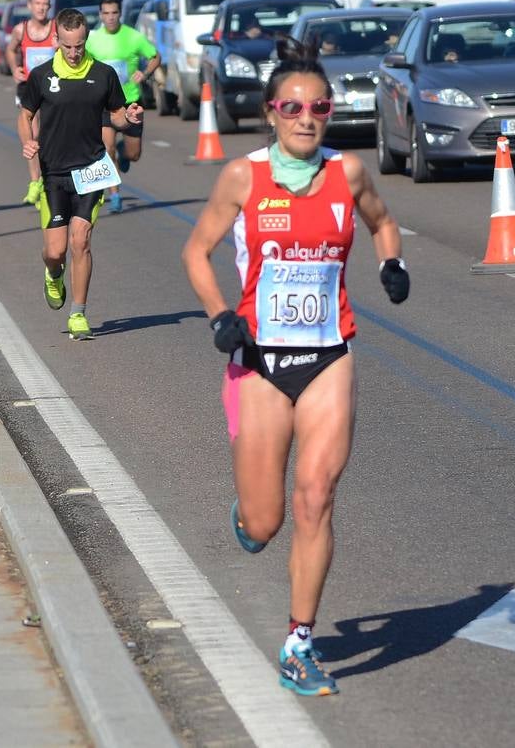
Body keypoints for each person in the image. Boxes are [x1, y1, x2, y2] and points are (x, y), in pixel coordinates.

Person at [181, 37, 409, 697]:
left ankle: (298, 644)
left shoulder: (349, 173)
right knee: (266, 521)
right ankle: (248, 517)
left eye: (319, 108)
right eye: (292, 107)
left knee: (316, 497)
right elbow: (196, 252)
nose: (307, 118)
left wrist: (392, 263)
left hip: (328, 356)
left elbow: (383, 223)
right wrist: (219, 315)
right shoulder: (243, 177)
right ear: (271, 113)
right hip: (259, 362)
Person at [18, 8, 142, 340]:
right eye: (68, 46)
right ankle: (53, 274)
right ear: (57, 40)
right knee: (55, 252)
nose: (74, 53)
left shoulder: (102, 74)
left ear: (86, 40)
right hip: (54, 173)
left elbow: (116, 115)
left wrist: (129, 118)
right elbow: (25, 114)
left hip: (91, 170)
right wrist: (28, 140)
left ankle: (78, 313)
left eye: (79, 46)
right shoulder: (42, 75)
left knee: (81, 240)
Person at [86, 0, 160, 214]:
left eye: (114, 13)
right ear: (100, 15)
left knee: (133, 154)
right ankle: (115, 195)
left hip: (130, 103)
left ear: (120, 14)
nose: (110, 17)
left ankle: (124, 151)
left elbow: (155, 57)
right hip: (104, 104)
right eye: (106, 13)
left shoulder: (133, 37)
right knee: (106, 148)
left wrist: (145, 73)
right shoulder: (92, 39)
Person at [5, 0, 56, 207]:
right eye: (38, 3)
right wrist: (14, 68)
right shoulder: (21, 30)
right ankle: (35, 182)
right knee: (31, 134)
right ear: (29, 5)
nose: (41, 8)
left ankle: (46, 179)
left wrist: (59, 48)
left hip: (53, 86)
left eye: (45, 4)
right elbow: (10, 50)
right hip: (28, 87)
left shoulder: (56, 29)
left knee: (47, 136)